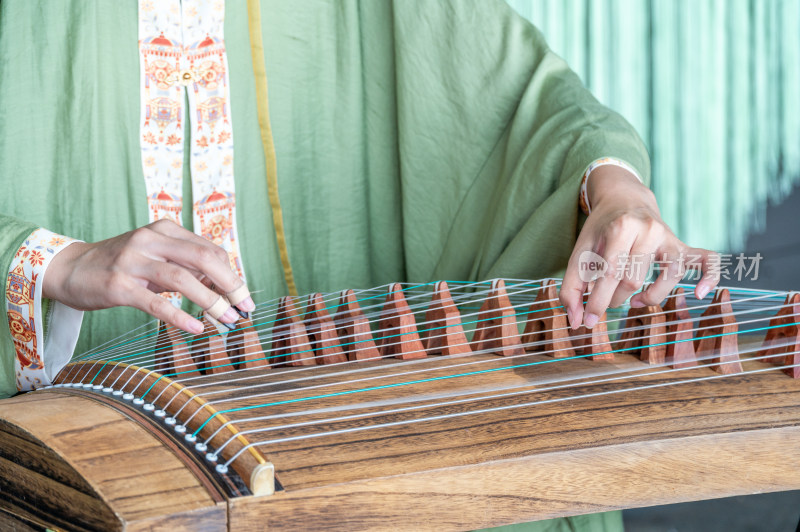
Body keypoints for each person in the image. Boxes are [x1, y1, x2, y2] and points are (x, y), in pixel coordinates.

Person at [0, 1, 718, 530]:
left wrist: (615, 189)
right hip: (87, 460)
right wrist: (50, 263)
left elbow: (517, 99)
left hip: (338, 451)